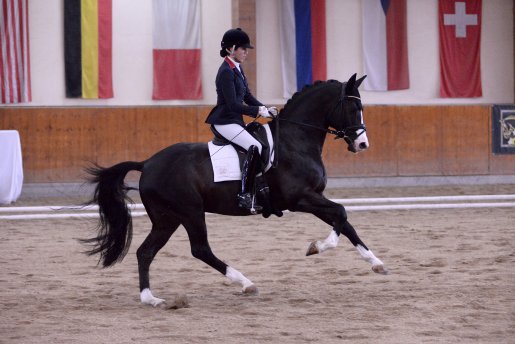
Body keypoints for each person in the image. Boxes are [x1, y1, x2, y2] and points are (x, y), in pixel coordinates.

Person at [205, 28, 277, 214]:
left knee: (261, 144)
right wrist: (257, 111)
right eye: (243, 48)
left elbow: (247, 96)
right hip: (225, 121)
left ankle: (260, 188)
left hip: (234, 121)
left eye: (247, 49)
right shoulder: (225, 72)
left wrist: (265, 109)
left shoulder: (237, 68)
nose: (246, 52)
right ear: (231, 49)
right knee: (256, 147)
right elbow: (232, 105)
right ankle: (244, 194)